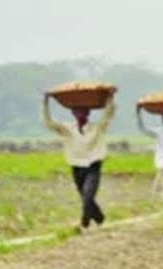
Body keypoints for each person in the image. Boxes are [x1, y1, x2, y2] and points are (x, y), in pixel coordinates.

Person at [42, 91, 116, 230]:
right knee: (84, 197)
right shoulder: (67, 129)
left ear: (88, 113)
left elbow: (108, 114)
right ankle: (99, 217)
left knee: (88, 195)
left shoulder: (97, 127)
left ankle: (84, 224)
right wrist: (45, 102)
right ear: (73, 114)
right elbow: (48, 123)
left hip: (93, 165)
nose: (80, 114)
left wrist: (110, 98)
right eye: (77, 111)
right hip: (77, 166)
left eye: (83, 111)